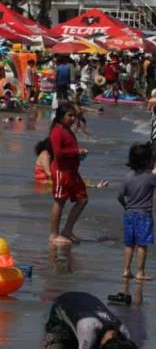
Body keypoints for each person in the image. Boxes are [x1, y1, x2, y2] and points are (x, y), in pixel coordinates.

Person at [118, 143, 156, 280]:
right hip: (144, 215)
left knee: (129, 244)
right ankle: (140, 272)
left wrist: (126, 206)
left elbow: (119, 195)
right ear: (149, 161)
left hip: (129, 214)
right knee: (142, 244)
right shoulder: (150, 177)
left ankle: (126, 270)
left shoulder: (127, 176)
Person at [48, 102, 88, 245]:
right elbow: (58, 153)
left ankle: (67, 230)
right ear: (60, 117)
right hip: (61, 171)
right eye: (69, 116)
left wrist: (79, 154)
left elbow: (69, 150)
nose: (72, 119)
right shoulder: (57, 131)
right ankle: (53, 235)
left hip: (72, 171)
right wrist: (77, 151)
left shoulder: (68, 130)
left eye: (74, 116)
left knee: (82, 199)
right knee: (60, 201)